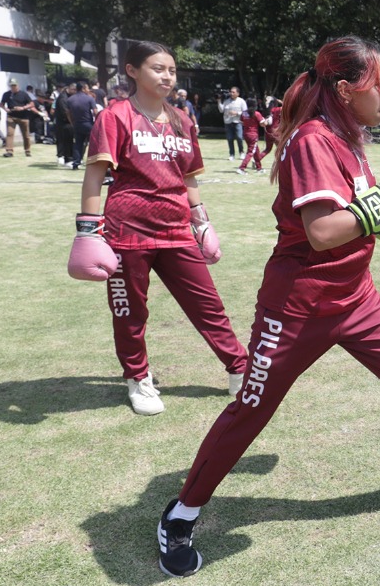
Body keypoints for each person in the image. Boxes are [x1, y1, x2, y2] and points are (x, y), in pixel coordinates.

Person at [155, 36, 380, 578]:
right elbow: (323, 231)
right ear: (347, 89)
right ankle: (182, 513)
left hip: (357, 297)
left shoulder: (348, 137)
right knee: (252, 408)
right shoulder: (313, 139)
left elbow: (357, 216)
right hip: (298, 306)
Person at [68, 41, 249, 415]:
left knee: (208, 306)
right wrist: (88, 231)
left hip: (177, 229)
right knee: (130, 315)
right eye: (157, 68)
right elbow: (95, 175)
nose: (167, 76)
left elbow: (189, 177)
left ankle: (239, 369)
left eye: (171, 70)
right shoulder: (115, 116)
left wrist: (202, 222)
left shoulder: (182, 119)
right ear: (132, 71)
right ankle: (138, 378)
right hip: (126, 232)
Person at [65, 80, 99, 170]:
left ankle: (76, 162)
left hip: (77, 124)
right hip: (88, 124)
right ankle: (93, 161)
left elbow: (68, 113)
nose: (88, 89)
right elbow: (95, 112)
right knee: (94, 143)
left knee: (78, 144)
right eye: (87, 88)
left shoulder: (70, 99)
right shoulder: (89, 99)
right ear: (83, 88)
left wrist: (72, 122)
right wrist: (98, 123)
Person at [1, 81, 37, 158]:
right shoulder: (6, 94)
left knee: (26, 135)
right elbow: (1, 104)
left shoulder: (24, 94)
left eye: (15, 86)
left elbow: (31, 104)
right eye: (12, 86)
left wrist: (23, 108)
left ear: (18, 86)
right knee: (10, 133)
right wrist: (5, 109)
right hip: (11, 116)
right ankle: (9, 151)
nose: (13, 87)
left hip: (23, 117)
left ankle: (27, 150)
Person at [236, 103, 268, 173]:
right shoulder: (256, 113)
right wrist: (266, 121)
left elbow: (242, 122)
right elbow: (263, 124)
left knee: (256, 151)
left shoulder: (244, 113)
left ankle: (259, 168)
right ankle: (241, 168)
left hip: (246, 134)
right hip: (253, 135)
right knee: (250, 152)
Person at [218, 87, 247, 159]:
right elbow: (221, 110)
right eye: (231, 92)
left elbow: (245, 113)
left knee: (239, 137)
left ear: (238, 93)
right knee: (230, 138)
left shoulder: (241, 101)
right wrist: (219, 101)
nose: (231, 93)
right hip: (228, 122)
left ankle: (241, 152)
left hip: (238, 122)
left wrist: (237, 113)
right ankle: (232, 154)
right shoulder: (226, 101)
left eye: (233, 92)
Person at [53, 83, 77, 168]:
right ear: (71, 89)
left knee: (68, 141)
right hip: (64, 123)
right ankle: (67, 159)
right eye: (74, 90)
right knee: (66, 141)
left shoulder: (68, 96)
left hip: (67, 122)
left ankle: (68, 157)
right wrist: (72, 122)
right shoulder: (63, 98)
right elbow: (65, 112)